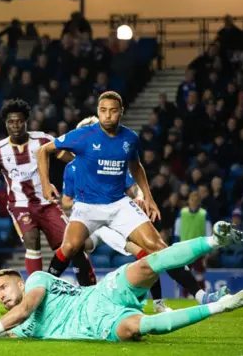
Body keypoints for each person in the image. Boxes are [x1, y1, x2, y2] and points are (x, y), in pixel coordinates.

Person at [37, 91, 225, 305]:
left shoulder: (130, 138)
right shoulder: (83, 136)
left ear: (121, 112)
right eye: (103, 111)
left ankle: (201, 296)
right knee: (70, 246)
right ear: (98, 112)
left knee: (158, 248)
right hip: (87, 207)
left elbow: (136, 166)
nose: (107, 116)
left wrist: (148, 196)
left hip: (118, 205)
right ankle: (42, 292)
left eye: (113, 111)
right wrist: (45, 183)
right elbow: (44, 150)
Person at [0, 222, 243, 342]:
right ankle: (219, 305)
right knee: (143, 328)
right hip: (98, 324)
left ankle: (212, 241)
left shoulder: (37, 279)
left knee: (146, 264)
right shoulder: (15, 329)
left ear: (21, 282)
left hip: (100, 293)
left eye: (3, 287)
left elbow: (23, 311)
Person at [0, 98, 95, 284]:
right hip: (20, 206)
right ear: (6, 123)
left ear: (26, 121)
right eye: (11, 122)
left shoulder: (43, 140)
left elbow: (68, 158)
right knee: (32, 241)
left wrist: (90, 167)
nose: (15, 126)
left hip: (47, 204)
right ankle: (36, 291)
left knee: (74, 246)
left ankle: (89, 288)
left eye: (19, 121)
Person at [62, 116, 171, 313]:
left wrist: (139, 196)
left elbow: (133, 186)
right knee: (74, 248)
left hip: (114, 221)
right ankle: (88, 297)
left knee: (144, 253)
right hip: (91, 223)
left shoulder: (112, 164)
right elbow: (66, 200)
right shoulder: (72, 169)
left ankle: (158, 303)